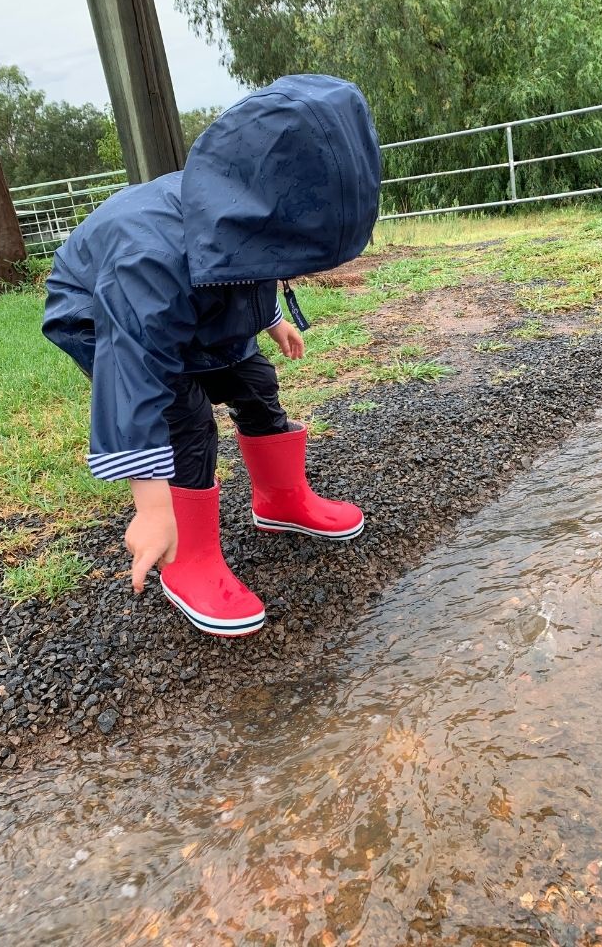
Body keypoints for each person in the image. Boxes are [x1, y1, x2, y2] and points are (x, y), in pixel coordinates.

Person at [42, 74, 381, 637]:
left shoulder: (241, 217)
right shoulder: (148, 255)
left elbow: (251, 265)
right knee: (186, 419)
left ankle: (281, 498)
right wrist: (150, 510)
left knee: (253, 381)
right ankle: (188, 556)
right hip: (104, 310)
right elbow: (135, 371)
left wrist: (271, 322)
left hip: (196, 295)